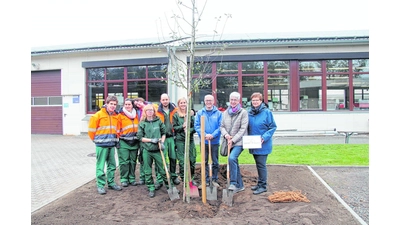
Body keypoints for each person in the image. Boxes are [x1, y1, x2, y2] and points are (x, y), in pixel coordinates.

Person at [88, 95, 122, 195]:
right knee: (100, 166)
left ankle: (111, 183)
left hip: (112, 144)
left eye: (115, 104)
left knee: (112, 166)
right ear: (106, 104)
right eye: (111, 104)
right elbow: (91, 131)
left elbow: (118, 130)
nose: (113, 106)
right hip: (101, 145)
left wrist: (117, 140)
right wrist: (96, 141)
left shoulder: (116, 116)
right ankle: (100, 185)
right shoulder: (97, 116)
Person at [247, 92, 277, 195]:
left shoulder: (267, 113)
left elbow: (272, 127)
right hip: (253, 143)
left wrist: (264, 137)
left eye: (257, 100)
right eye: (253, 100)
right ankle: (259, 184)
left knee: (261, 165)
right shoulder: (249, 113)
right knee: (258, 164)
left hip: (263, 144)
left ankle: (263, 186)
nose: (255, 102)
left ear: (261, 101)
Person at [136, 104, 168, 198]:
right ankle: (151, 188)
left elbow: (163, 133)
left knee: (163, 169)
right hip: (147, 150)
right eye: (148, 110)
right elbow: (140, 137)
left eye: (152, 110)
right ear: (145, 112)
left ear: (154, 111)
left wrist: (162, 142)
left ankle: (169, 186)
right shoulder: (142, 123)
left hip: (158, 150)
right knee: (147, 170)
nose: (150, 112)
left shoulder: (158, 121)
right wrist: (151, 140)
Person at [220, 92, 248, 193]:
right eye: (231, 99)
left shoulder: (243, 112)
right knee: (234, 161)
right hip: (228, 141)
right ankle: (240, 185)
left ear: (238, 101)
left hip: (239, 142)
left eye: (235, 100)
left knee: (231, 158)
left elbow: (243, 128)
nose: (233, 101)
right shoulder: (225, 112)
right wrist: (226, 135)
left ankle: (233, 183)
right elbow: (222, 126)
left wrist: (233, 139)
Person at [194, 94, 223, 186]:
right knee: (204, 161)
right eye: (207, 100)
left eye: (210, 100)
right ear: (204, 101)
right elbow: (197, 126)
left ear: (213, 101)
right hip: (204, 142)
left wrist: (213, 135)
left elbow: (221, 126)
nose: (208, 102)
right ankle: (206, 180)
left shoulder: (218, 113)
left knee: (215, 161)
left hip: (214, 141)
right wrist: (205, 135)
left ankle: (214, 179)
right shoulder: (200, 113)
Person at [156, 93, 180, 187]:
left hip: (171, 137)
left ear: (169, 100)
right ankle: (160, 178)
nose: (165, 101)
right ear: (160, 100)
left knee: (173, 158)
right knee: (161, 158)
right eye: (163, 100)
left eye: (166, 99)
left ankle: (173, 176)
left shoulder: (175, 110)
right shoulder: (157, 111)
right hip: (161, 138)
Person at [173, 97, 197, 185]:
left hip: (189, 139)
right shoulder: (176, 115)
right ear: (178, 104)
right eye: (181, 103)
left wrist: (189, 130)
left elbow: (195, 127)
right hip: (180, 140)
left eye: (184, 102)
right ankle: (184, 178)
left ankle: (191, 178)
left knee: (192, 159)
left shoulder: (190, 114)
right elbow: (174, 128)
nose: (183, 104)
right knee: (182, 161)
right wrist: (182, 127)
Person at [117, 98, 140, 187]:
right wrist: (118, 140)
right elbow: (117, 129)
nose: (127, 106)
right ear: (123, 105)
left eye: (129, 104)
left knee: (133, 161)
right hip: (124, 141)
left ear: (132, 105)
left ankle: (132, 178)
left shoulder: (136, 115)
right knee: (124, 161)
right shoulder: (120, 116)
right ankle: (124, 179)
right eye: (126, 104)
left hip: (134, 142)